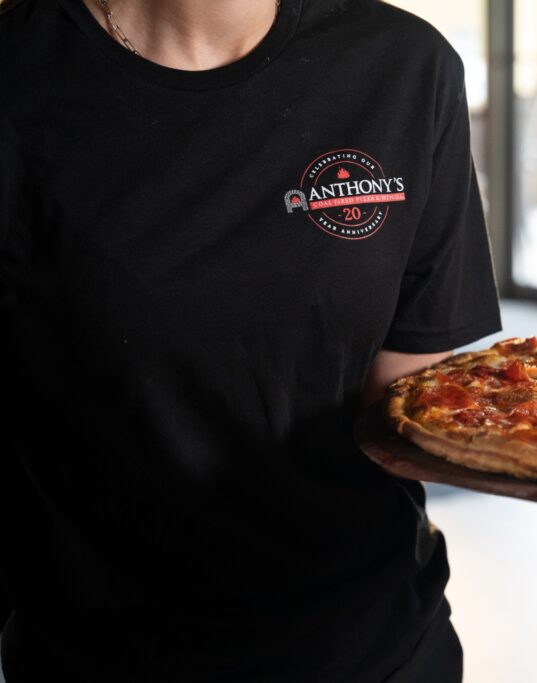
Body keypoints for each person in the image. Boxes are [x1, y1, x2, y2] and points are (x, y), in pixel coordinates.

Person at [0, 0, 502, 680]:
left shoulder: (406, 68)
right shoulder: (22, 71)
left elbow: (408, 415)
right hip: (114, 653)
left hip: (378, 649)